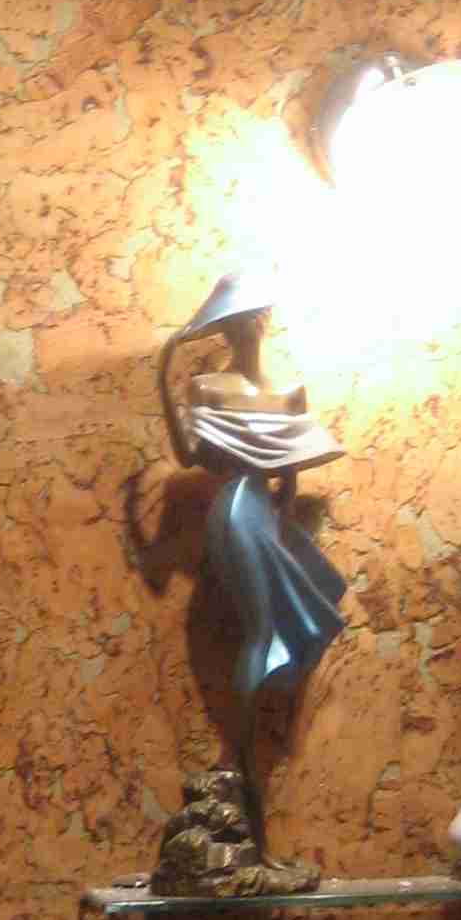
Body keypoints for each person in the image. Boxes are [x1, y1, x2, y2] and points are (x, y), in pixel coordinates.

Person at [157, 268, 346, 851]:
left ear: (265, 321)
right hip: (235, 510)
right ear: (227, 328)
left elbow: (288, 478)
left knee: (294, 609)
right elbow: (190, 456)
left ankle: (245, 761)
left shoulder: (288, 393)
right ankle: (237, 759)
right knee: (260, 629)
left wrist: (283, 528)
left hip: (265, 512)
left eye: (255, 316)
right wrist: (164, 376)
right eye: (238, 320)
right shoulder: (209, 388)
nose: (249, 327)